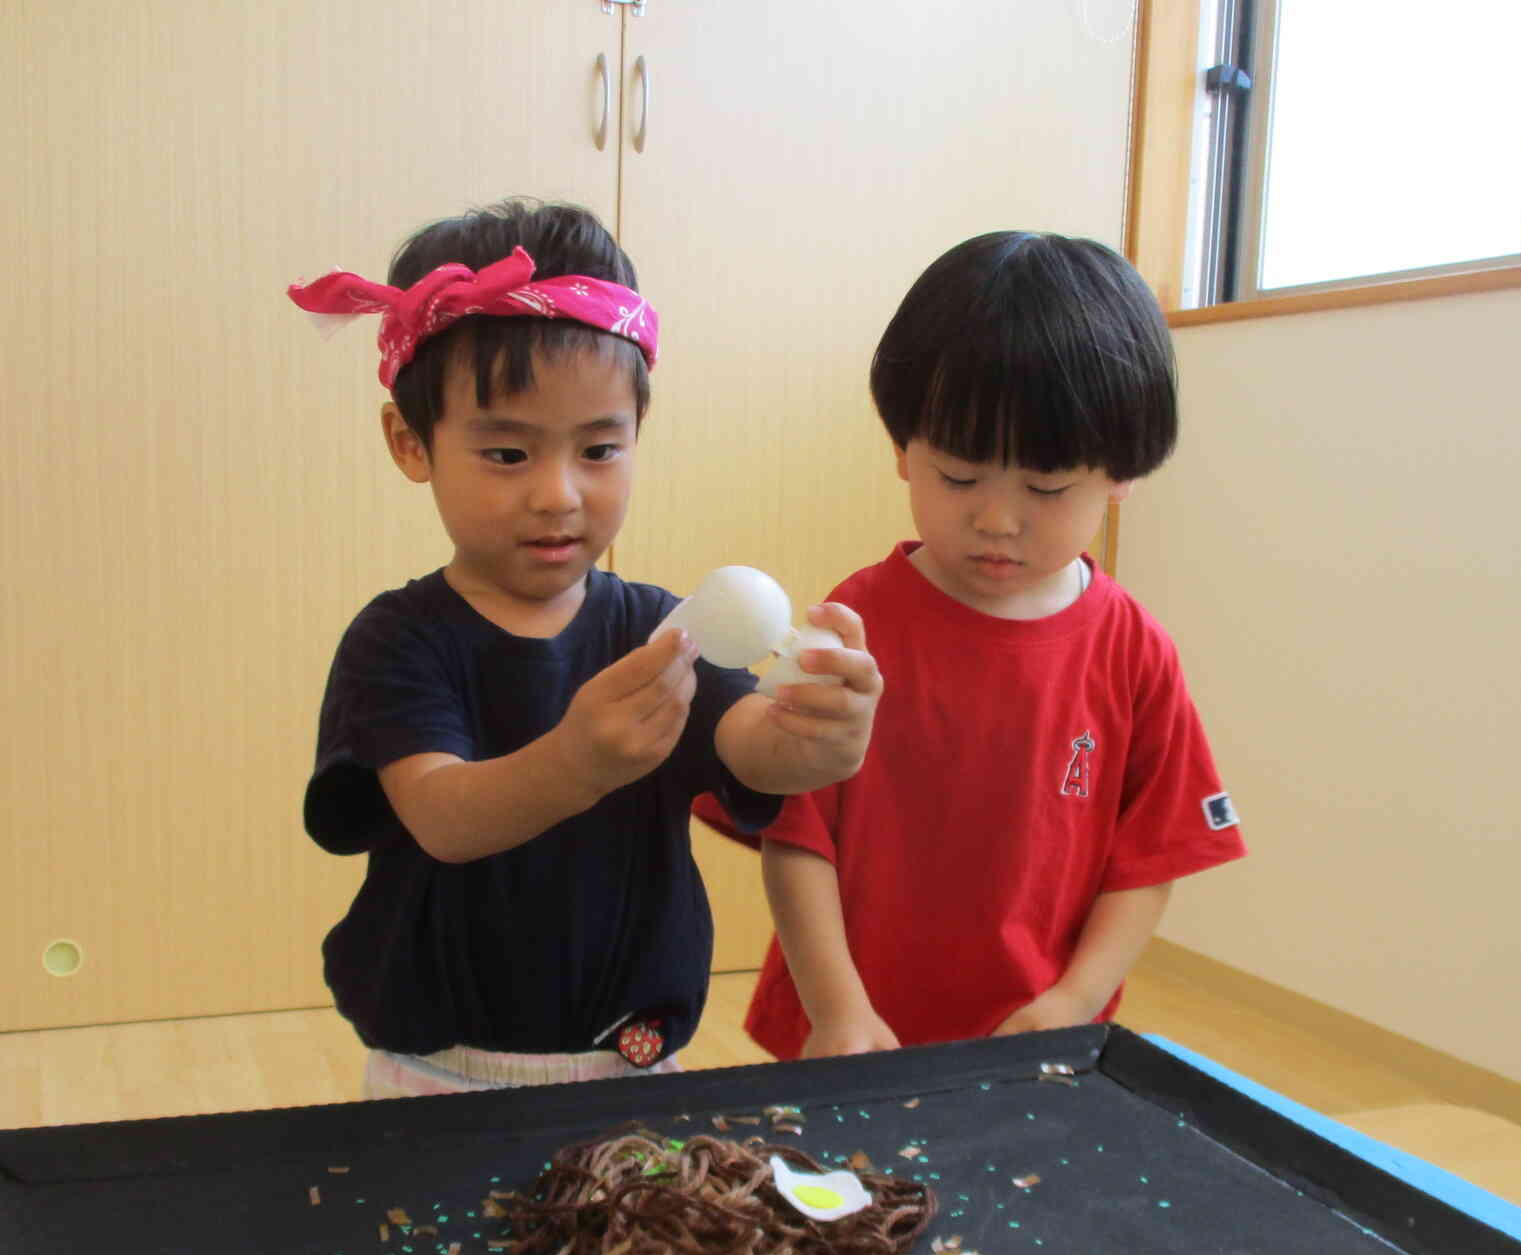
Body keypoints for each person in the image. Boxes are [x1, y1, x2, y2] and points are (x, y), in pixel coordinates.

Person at [288, 198, 880, 1096]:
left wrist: (819, 735)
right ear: (412, 444)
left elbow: (748, 741)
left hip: (636, 1060)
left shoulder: (663, 627)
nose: (560, 494)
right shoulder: (399, 640)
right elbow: (444, 817)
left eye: (600, 448)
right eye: (508, 455)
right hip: (436, 1072)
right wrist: (575, 762)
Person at [697, 231, 1244, 1060]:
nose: (996, 518)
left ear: (1122, 473)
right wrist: (836, 1009)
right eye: (957, 477)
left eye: (1047, 487)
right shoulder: (857, 624)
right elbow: (795, 835)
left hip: (1035, 1036)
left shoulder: (1133, 649)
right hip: (851, 1030)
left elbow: (1150, 857)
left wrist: (1076, 999)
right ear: (901, 449)